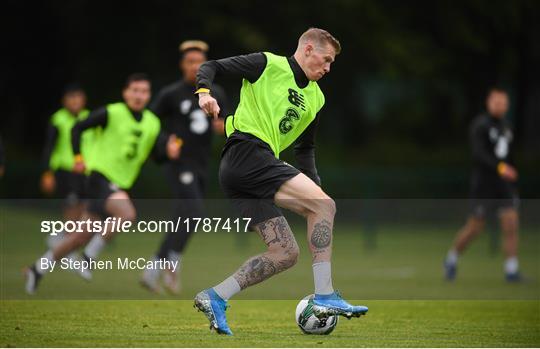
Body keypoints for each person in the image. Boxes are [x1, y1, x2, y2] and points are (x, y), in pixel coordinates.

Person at [192, 28, 368, 335]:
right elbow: (211, 67)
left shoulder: (316, 98)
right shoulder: (267, 64)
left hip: (244, 170)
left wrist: (314, 188)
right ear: (308, 49)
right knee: (324, 207)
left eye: (332, 64)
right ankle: (325, 295)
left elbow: (305, 149)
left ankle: (216, 296)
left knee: (286, 253)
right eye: (326, 60)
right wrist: (204, 92)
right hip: (248, 152)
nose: (328, 68)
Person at [24, 73, 181, 294]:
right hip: (99, 177)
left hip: (120, 184)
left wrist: (169, 152)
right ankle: (88, 258)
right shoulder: (111, 112)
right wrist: (78, 158)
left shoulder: (152, 123)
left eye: (144, 91)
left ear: (149, 95)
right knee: (127, 214)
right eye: (134, 90)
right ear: (125, 92)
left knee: (79, 236)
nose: (139, 95)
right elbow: (77, 128)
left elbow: (155, 155)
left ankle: (37, 269)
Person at [141, 40, 230, 294]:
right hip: (179, 164)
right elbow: (149, 124)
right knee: (194, 211)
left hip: (202, 165)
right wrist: (164, 141)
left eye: (200, 63)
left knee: (185, 216)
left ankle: (153, 269)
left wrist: (224, 127)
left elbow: (229, 122)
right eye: (190, 62)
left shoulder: (217, 93)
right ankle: (172, 264)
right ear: (182, 65)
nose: (195, 67)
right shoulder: (171, 94)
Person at [444, 87, 520, 282]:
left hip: (503, 186)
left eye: (503, 102)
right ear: (489, 103)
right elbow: (479, 154)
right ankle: (452, 258)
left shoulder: (508, 127)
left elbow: (509, 157)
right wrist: (501, 168)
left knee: (510, 223)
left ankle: (511, 270)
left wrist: (510, 174)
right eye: (496, 102)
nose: (500, 105)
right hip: (484, 185)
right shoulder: (480, 126)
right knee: (475, 228)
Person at [40, 85, 94, 221]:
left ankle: (75, 238)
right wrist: (47, 172)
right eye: (71, 98)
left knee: (86, 207)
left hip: (86, 170)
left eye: (78, 97)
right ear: (64, 101)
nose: (75, 101)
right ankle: (68, 236)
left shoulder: (90, 117)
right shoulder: (58, 119)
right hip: (65, 170)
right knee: (71, 205)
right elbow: (49, 146)